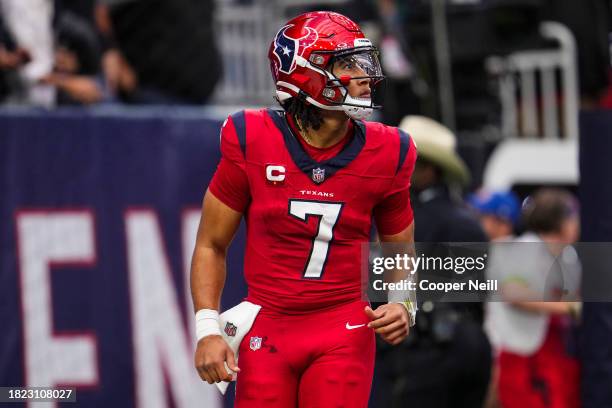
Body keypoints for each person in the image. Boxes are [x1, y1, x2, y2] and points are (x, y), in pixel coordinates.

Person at [190, 11, 417, 407]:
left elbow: (401, 251)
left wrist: (402, 302)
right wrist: (207, 327)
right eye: (347, 64)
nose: (364, 75)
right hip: (268, 326)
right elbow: (211, 243)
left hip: (343, 326)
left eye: (363, 61)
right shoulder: (251, 138)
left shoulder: (389, 151)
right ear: (304, 73)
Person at [372, 115, 491, 408]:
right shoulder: (468, 221)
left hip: (422, 353)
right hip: (471, 345)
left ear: (427, 170)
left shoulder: (403, 222)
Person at [486, 188, 581, 408]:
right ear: (561, 222)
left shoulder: (567, 256)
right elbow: (513, 293)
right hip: (516, 354)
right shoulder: (527, 248)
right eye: (574, 218)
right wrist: (572, 308)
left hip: (547, 353)